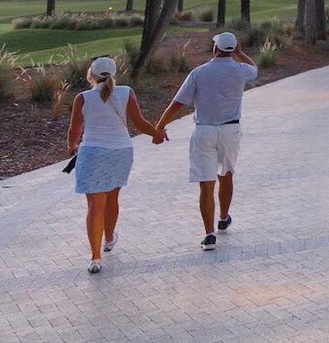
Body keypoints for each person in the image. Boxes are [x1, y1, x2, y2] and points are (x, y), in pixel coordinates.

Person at [153, 32, 260, 250]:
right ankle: (223, 217)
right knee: (226, 175)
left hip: (204, 131)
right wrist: (240, 53)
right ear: (232, 49)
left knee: (206, 183)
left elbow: (177, 103)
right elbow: (254, 69)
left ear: (215, 48)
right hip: (230, 130)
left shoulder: (199, 73)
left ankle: (209, 235)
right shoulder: (241, 71)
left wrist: (160, 126)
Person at [67, 55, 163, 274]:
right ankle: (109, 239)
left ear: (91, 74)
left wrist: (71, 145)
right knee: (112, 197)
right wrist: (156, 134)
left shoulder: (82, 98)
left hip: (92, 153)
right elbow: (139, 122)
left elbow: (75, 129)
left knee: (95, 205)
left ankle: (95, 258)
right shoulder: (126, 92)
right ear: (113, 73)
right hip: (120, 151)